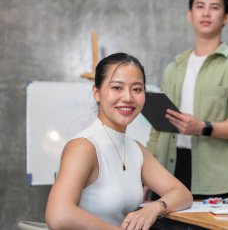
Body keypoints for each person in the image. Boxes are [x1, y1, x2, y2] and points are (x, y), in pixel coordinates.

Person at [45, 53, 192, 230]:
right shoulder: (83, 146)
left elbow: (183, 194)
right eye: (117, 87)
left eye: (137, 89)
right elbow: (58, 214)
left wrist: (154, 208)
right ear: (97, 93)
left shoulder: (135, 148)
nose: (128, 97)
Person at [147, 0, 228, 200]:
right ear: (190, 15)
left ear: (226, 18)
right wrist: (146, 174)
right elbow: (156, 128)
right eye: (200, 6)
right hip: (165, 170)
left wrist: (203, 127)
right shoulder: (173, 68)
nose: (206, 12)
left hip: (213, 178)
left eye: (215, 7)